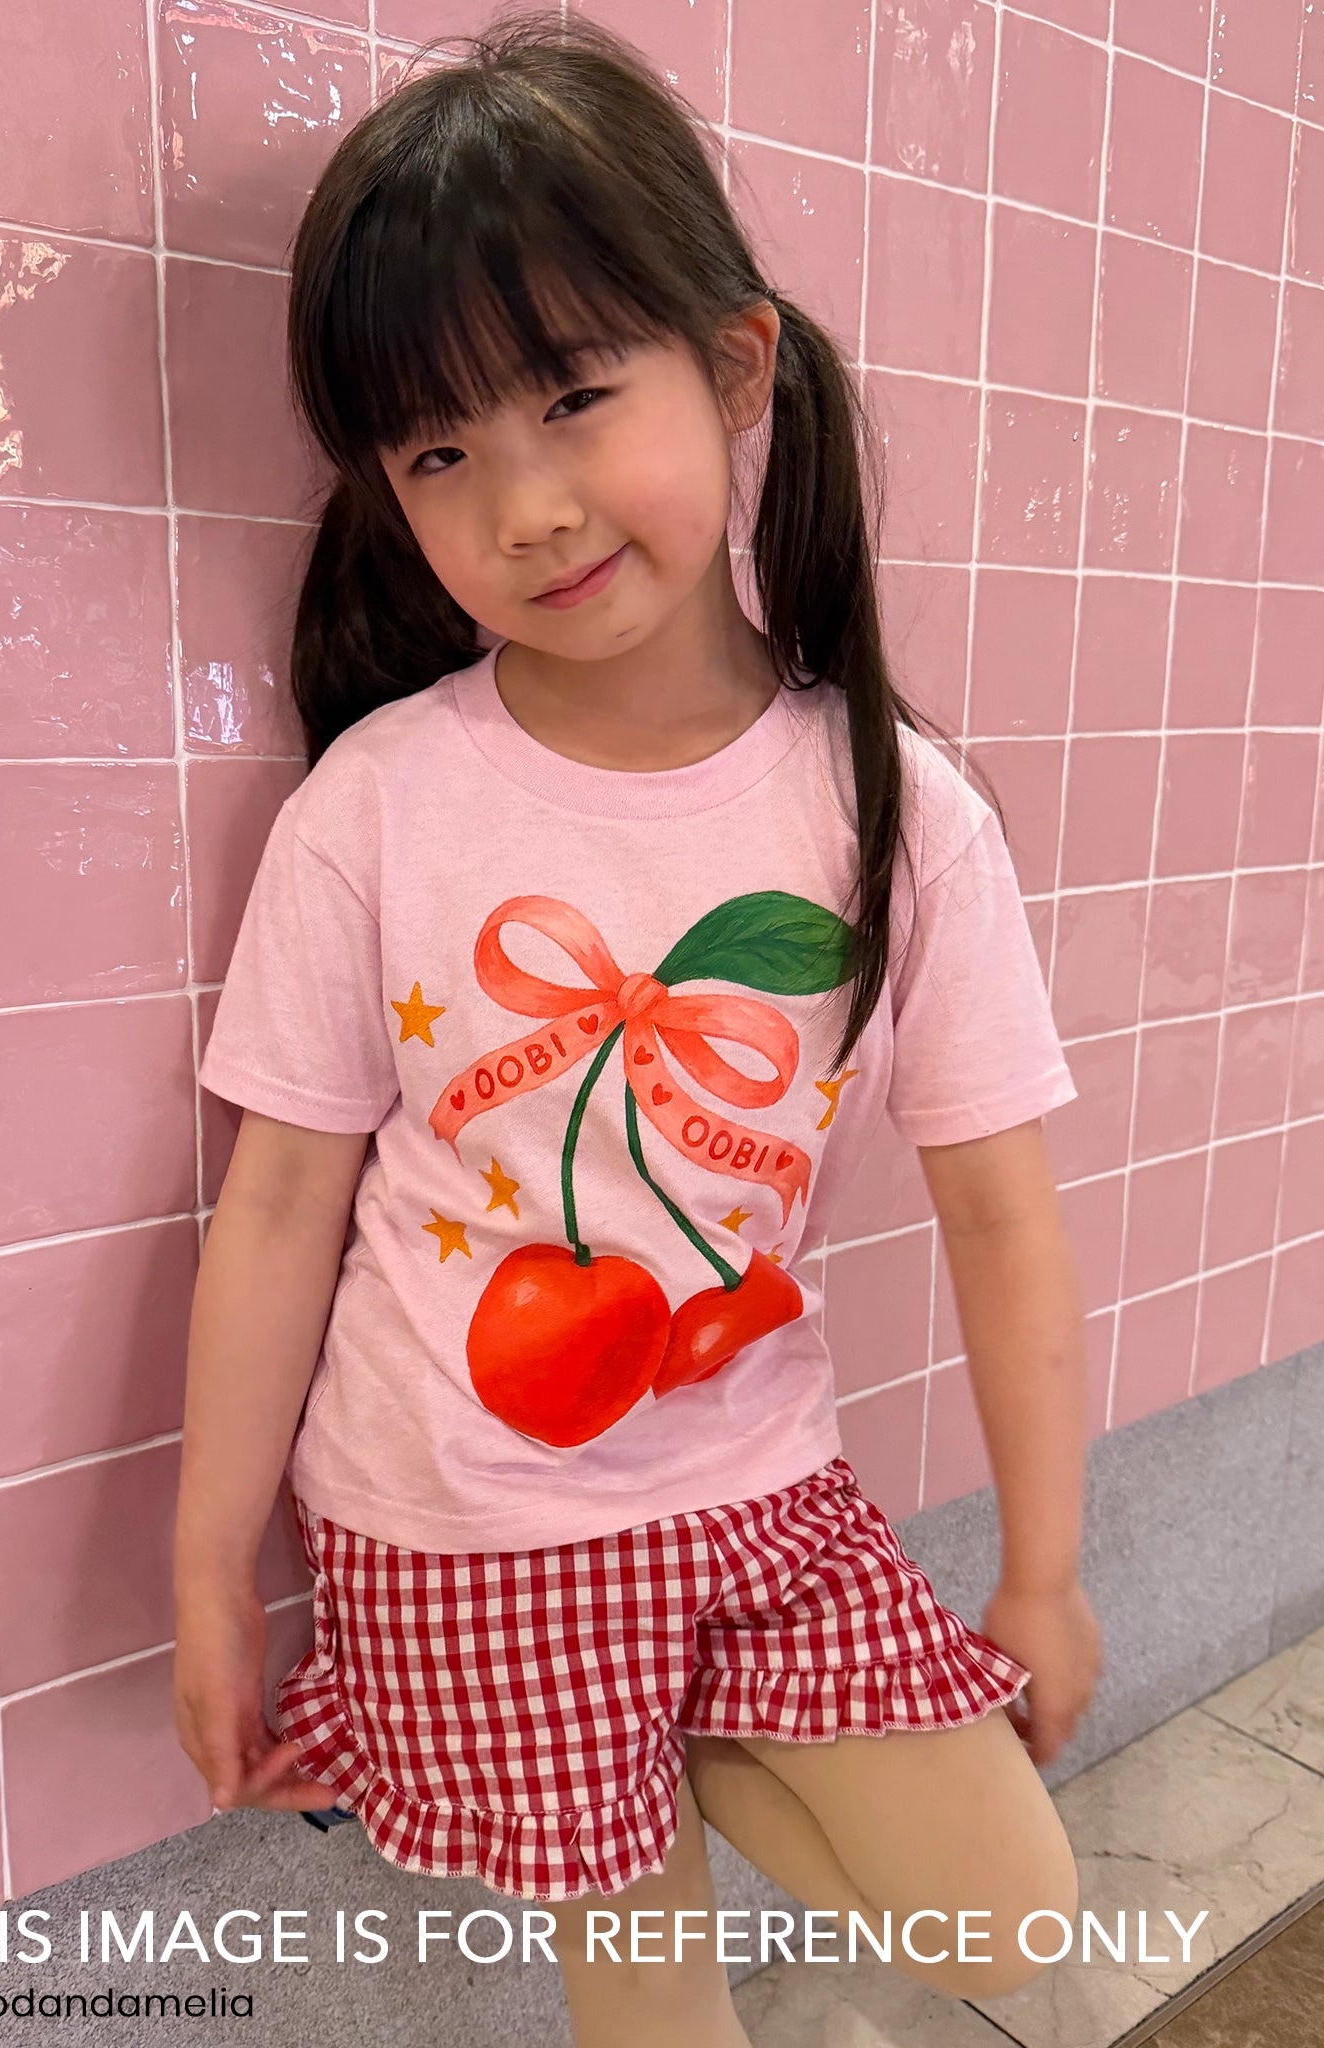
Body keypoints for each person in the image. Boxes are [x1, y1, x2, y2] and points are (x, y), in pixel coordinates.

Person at [172, 12, 1100, 2043]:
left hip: (761, 1494)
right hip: (462, 1526)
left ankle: (654, 1738)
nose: (525, 507)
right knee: (657, 2010)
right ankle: (610, 1767)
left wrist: (1044, 1565)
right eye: (440, 453)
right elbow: (279, 1209)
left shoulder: (895, 809)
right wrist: (206, 1573)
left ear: (738, 367)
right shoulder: (378, 805)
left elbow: (1003, 1212)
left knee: (1018, 1922)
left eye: (577, 397)